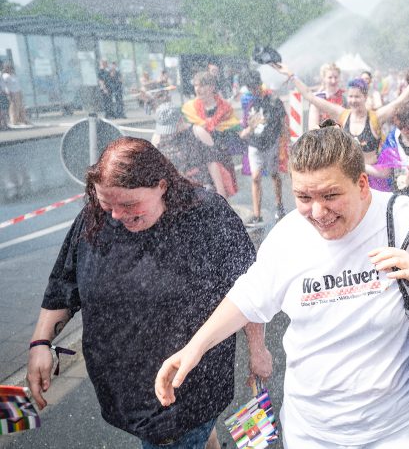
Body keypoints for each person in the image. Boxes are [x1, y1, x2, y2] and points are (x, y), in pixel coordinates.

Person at [154, 125, 409, 448]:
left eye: (330, 195)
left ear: (363, 185)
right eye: (303, 197)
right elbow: (248, 297)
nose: (318, 212)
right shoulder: (289, 236)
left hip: (399, 431)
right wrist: (194, 348)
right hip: (313, 431)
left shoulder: (405, 218)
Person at [27, 137, 270, 449]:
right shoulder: (95, 219)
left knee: (180, 437)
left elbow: (250, 286)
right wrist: (40, 342)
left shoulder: (206, 215)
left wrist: (258, 349)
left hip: (185, 391)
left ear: (161, 186)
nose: (116, 215)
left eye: (129, 205)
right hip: (125, 393)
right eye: (106, 203)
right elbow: (64, 283)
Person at [281, 63, 409, 169]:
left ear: (365, 97)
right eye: (350, 97)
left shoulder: (376, 117)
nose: (352, 101)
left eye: (357, 97)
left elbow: (399, 101)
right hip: (350, 175)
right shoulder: (343, 115)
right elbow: (310, 96)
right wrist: (291, 76)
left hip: (374, 177)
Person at [239, 70, 289, 226]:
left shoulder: (274, 101)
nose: (253, 90)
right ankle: (257, 214)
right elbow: (245, 129)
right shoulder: (249, 103)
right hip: (254, 145)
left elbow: (283, 124)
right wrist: (248, 129)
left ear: (260, 83)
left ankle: (279, 205)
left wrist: (284, 144)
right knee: (255, 177)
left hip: (271, 144)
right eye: (250, 88)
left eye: (255, 87)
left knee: (274, 175)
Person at [182, 71, 241, 196]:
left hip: (221, 155)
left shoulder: (225, 108)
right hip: (200, 158)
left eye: (202, 85)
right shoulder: (189, 108)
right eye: (196, 85)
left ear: (212, 87)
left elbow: (233, 129)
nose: (198, 89)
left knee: (223, 194)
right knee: (203, 194)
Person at [151, 103, 227, 197]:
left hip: (201, 190)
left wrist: (221, 193)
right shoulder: (158, 137)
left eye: (171, 128)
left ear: (180, 120)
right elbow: (157, 168)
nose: (169, 133)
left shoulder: (197, 132)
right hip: (175, 193)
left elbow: (212, 164)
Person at [306, 62, 344, 131]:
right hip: (323, 138)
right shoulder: (318, 98)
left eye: (336, 77)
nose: (333, 81)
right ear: (323, 78)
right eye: (330, 77)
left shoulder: (345, 97)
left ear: (339, 77)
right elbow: (312, 127)